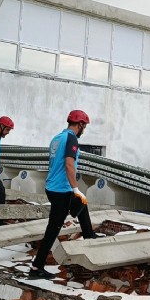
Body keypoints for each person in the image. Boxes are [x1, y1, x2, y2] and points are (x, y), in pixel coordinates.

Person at [28, 110, 97, 280]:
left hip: (53, 187)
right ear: (80, 124)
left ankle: (90, 237)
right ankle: (37, 268)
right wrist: (75, 187)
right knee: (53, 229)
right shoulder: (71, 138)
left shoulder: (56, 138)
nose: (84, 129)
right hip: (61, 190)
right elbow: (68, 164)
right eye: (84, 126)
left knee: (81, 204)